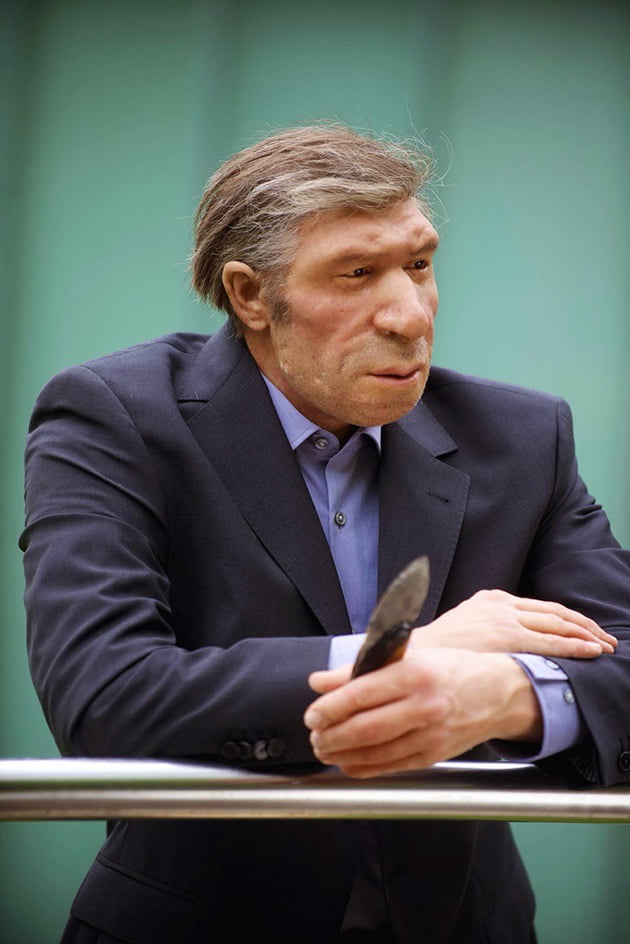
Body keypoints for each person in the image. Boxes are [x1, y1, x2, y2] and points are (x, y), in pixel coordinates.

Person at [21, 125, 630, 944]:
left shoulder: (522, 438)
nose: (412, 315)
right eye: (356, 274)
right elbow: (104, 694)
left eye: (418, 263)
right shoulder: (113, 418)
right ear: (250, 295)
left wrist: (499, 695)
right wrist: (412, 658)